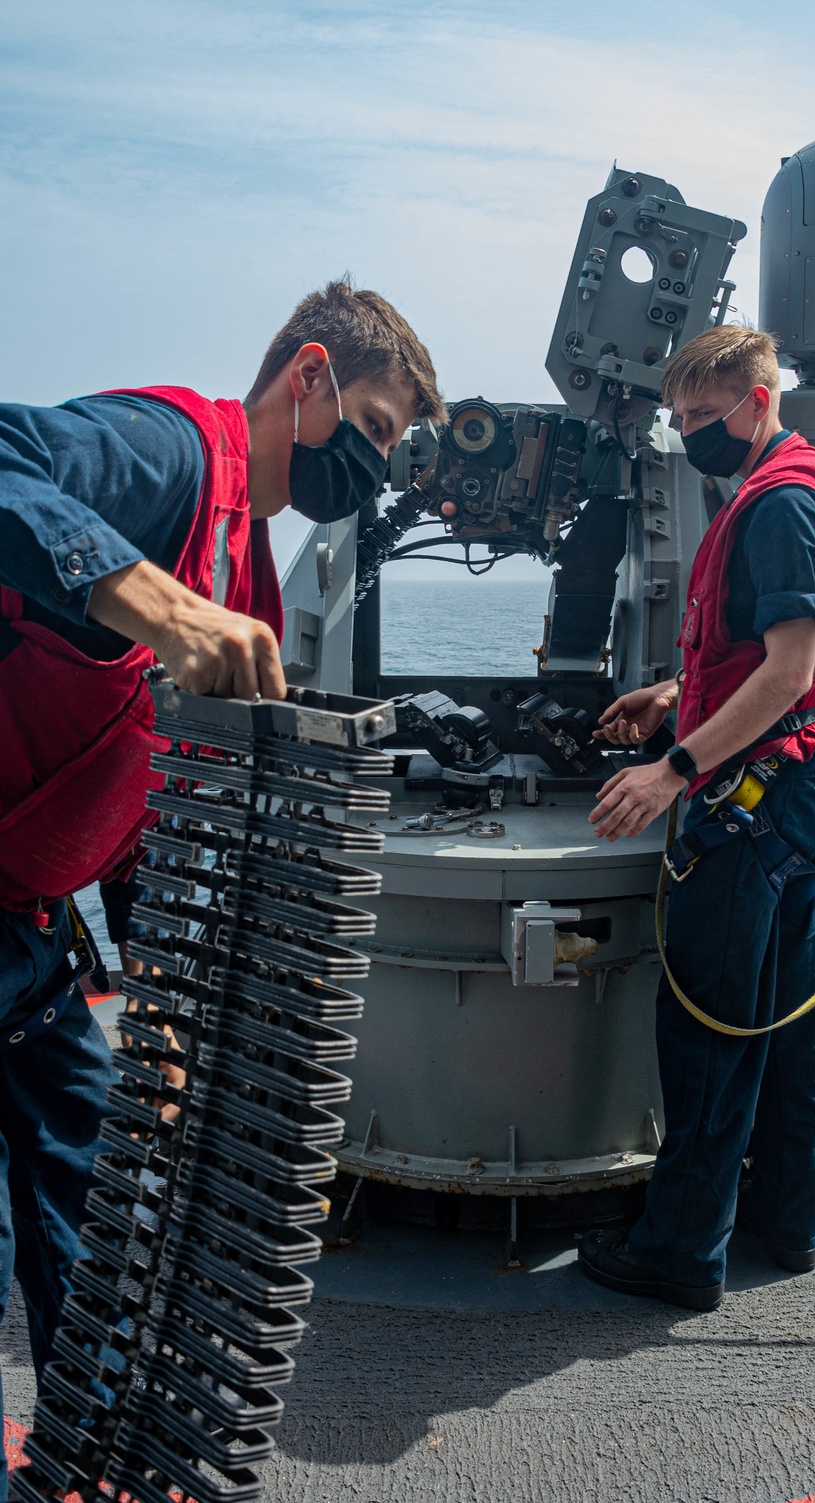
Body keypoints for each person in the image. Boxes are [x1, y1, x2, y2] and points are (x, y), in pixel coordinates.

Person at [0, 278, 444, 1498]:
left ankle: (82, 1469)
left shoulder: (243, 580)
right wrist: (148, 594)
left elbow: (148, 801)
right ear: (308, 380)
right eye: (377, 426)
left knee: (92, 1208)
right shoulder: (167, 457)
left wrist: (172, 1007)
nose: (376, 464)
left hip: (24, 939)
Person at [578, 326, 815, 1311]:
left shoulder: (779, 503)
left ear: (756, 398)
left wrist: (673, 767)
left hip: (752, 800)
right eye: (678, 418)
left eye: (702, 416)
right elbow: (772, 656)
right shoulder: (812, 480)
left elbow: (788, 669)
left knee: (710, 1026)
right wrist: (675, 691)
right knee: (792, 1020)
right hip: (809, 788)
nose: (688, 432)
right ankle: (788, 1224)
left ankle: (679, 1252)